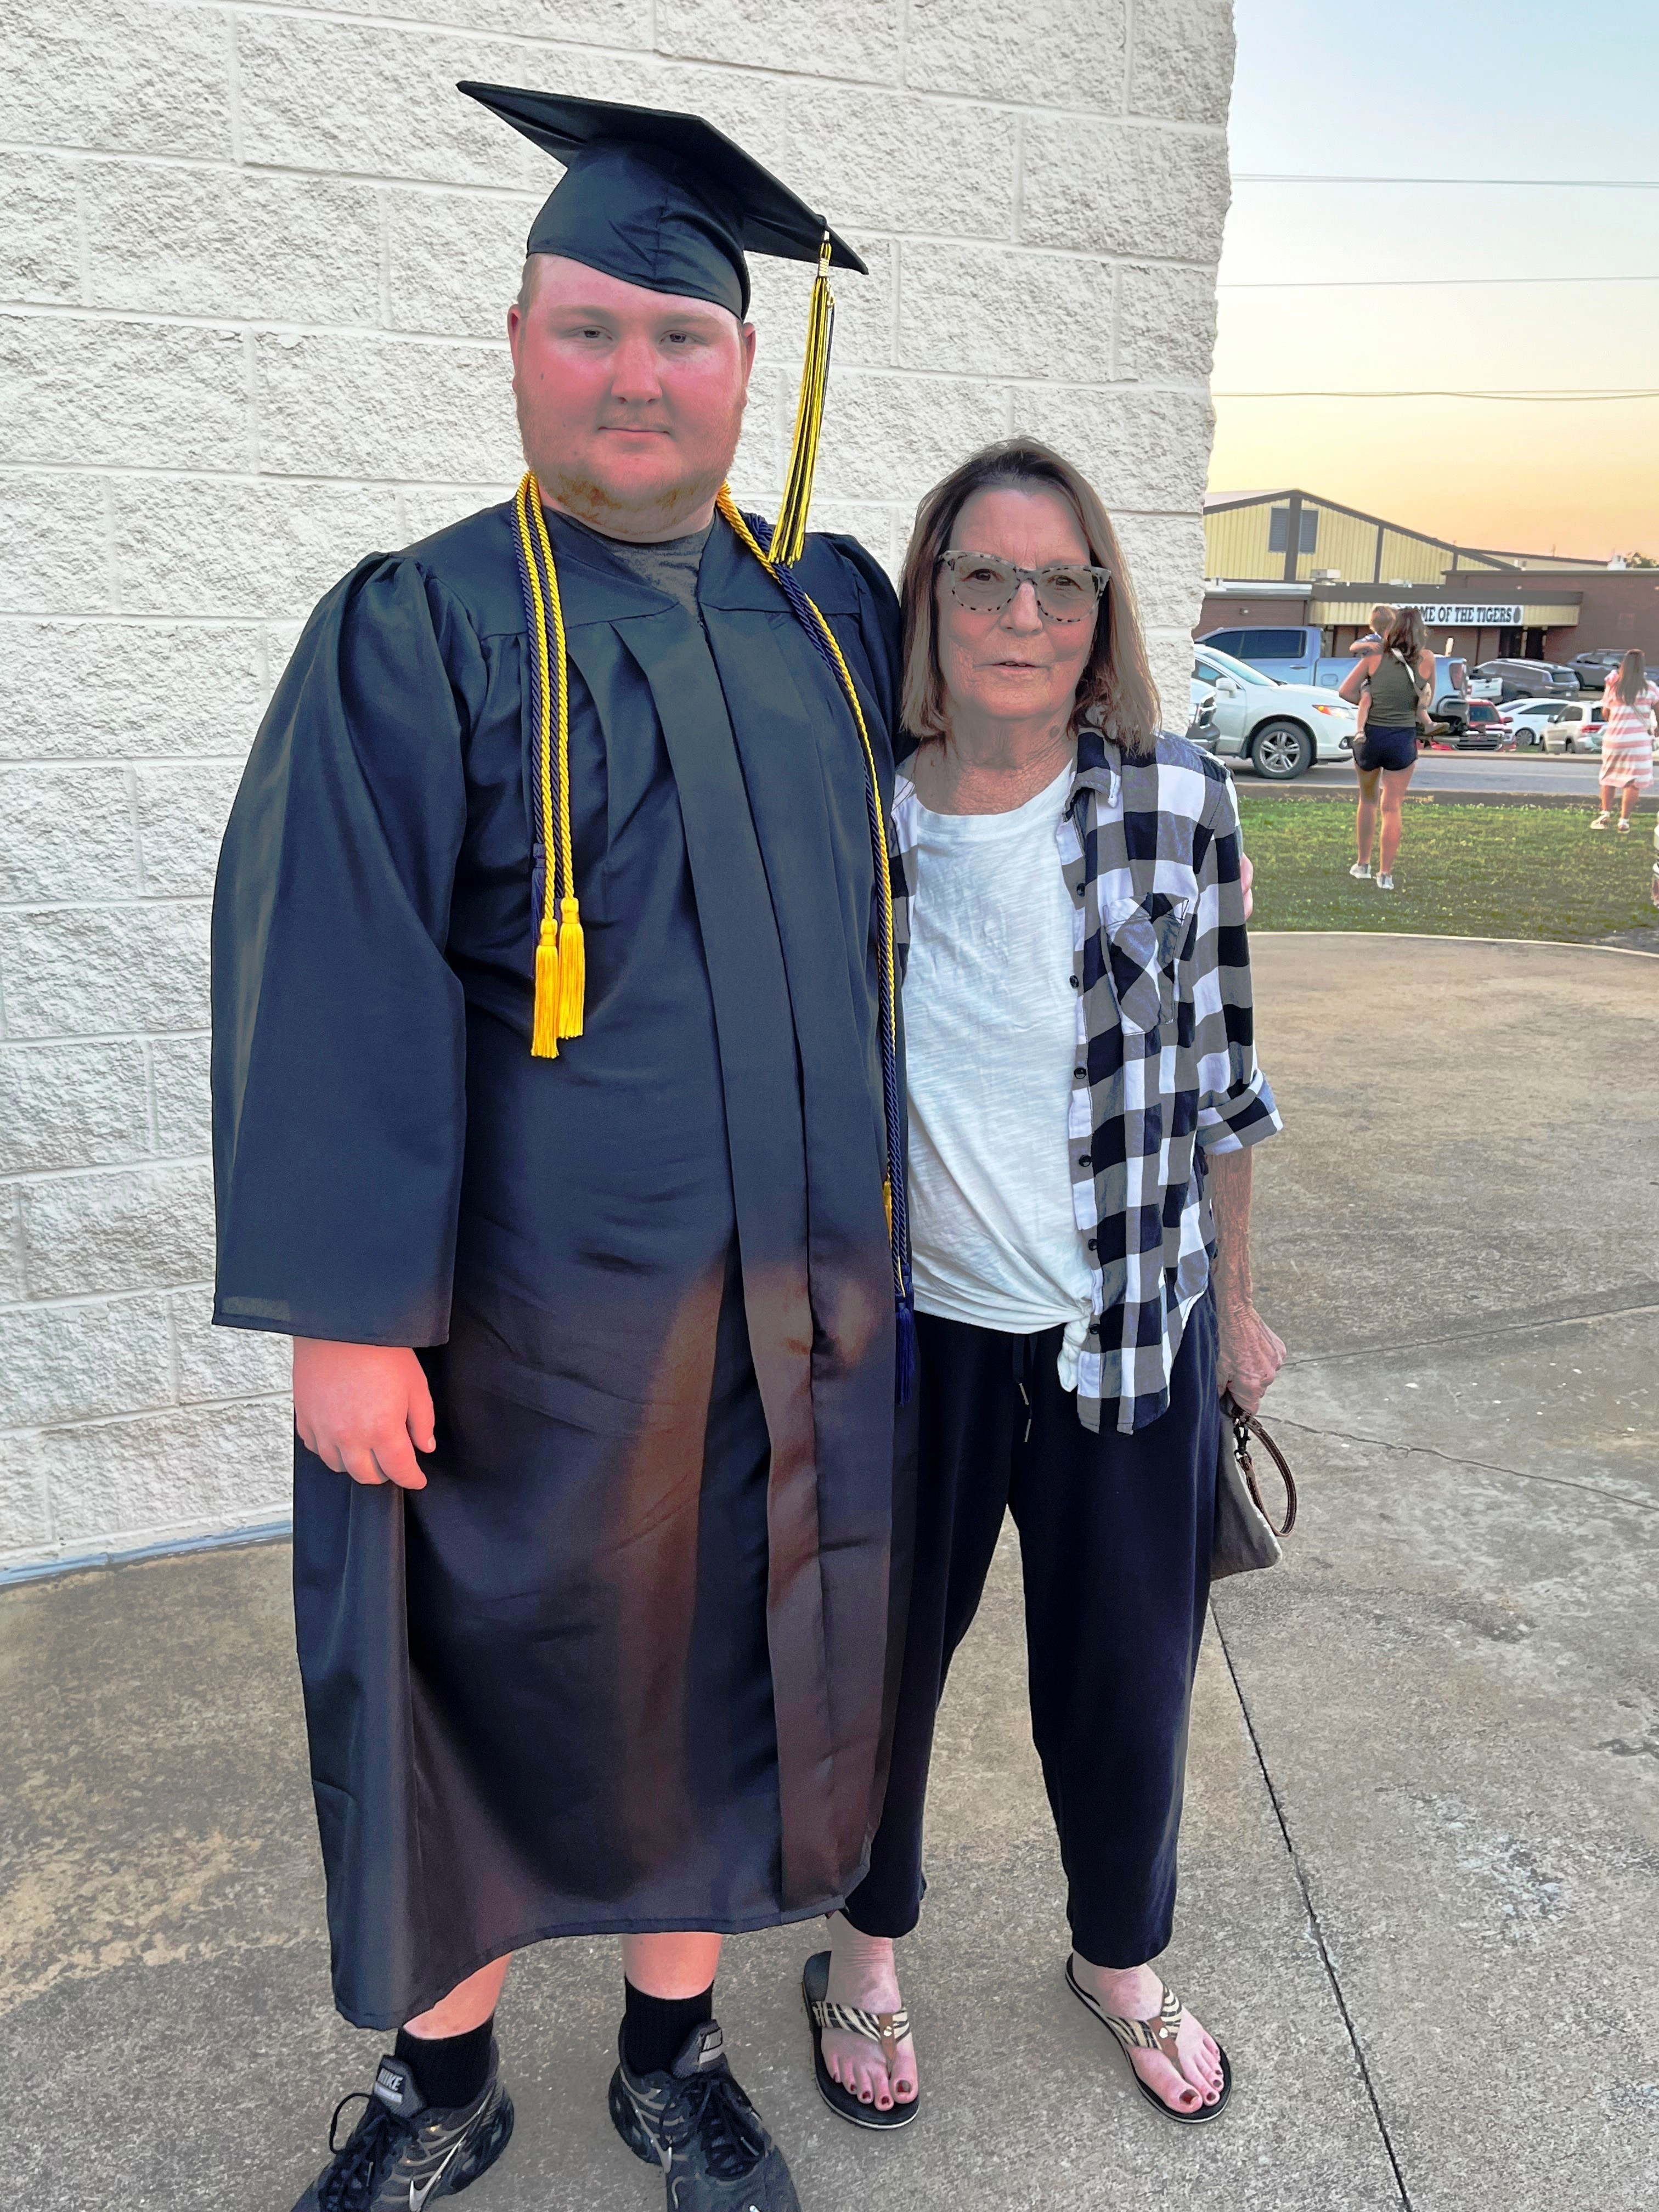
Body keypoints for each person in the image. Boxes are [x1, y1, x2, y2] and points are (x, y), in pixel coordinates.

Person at [211, 83, 917, 2212]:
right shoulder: (414, 626)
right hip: (503, 1343)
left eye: (680, 334)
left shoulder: (828, 616)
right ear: (519, 345)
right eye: (590, 326)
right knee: (454, 1692)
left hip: (784, 1322)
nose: (636, 373)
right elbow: (324, 964)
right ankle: (443, 2086)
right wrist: (347, 1315)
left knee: (724, 1683)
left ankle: (670, 2058)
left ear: (745, 367)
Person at [799, 439, 1284, 2131]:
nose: (1023, 612)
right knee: (880, 1678)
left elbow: (1226, 1082)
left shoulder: (1176, 801)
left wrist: (1239, 1301)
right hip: (912, 1343)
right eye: (986, 576)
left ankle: (1119, 1958)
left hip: (1130, 1328)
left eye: (1061, 581)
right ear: (931, 595)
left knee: (1125, 1680)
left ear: (1101, 609)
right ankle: (863, 1949)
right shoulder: (864, 812)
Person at [1338, 606, 1435, 891]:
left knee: (1368, 801)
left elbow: (1345, 691)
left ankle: (1363, 865)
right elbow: (1426, 700)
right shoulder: (1428, 660)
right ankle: (1386, 875)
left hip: (1370, 737)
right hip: (1402, 738)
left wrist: (1369, 701)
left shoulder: (1374, 657)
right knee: (1392, 807)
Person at [1591, 648, 1657, 832]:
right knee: (1633, 782)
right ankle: (1624, 822)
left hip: (1615, 740)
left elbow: (1606, 714)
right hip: (1639, 743)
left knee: (1609, 777)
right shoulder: (1650, 688)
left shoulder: (1614, 686)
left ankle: (1605, 816)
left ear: (1624, 665)